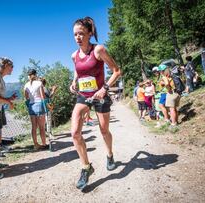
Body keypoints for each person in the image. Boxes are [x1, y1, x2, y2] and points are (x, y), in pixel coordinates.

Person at [69, 16, 121, 190]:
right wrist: (74, 81)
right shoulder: (74, 55)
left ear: (90, 34)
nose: (78, 37)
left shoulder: (98, 50)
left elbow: (116, 71)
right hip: (83, 95)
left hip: (100, 94)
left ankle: (110, 155)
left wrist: (105, 88)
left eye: (81, 33)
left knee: (104, 130)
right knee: (75, 132)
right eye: (75, 34)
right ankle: (86, 167)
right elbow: (78, 71)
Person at [24, 69, 48, 150]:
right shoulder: (39, 83)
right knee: (41, 127)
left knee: (34, 127)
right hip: (39, 105)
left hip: (31, 106)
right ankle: (44, 144)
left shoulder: (26, 85)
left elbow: (26, 98)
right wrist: (47, 105)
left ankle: (35, 144)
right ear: (35, 74)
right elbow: (43, 96)